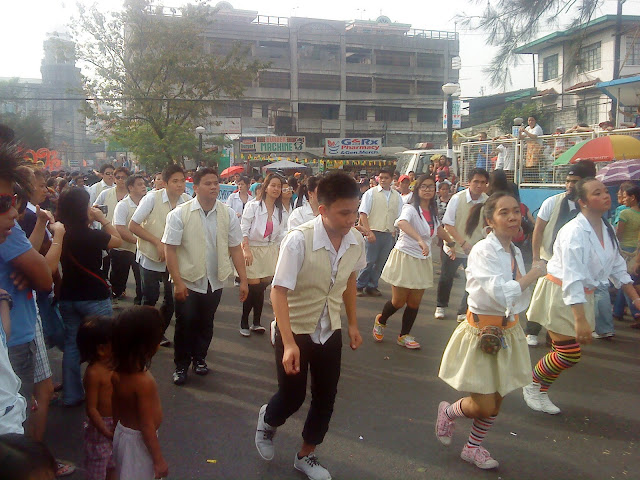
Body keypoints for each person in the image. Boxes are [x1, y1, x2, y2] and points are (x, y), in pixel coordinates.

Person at [254, 172, 365, 480]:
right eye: (344, 212)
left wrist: (352, 323)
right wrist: (288, 342)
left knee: (326, 396)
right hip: (296, 329)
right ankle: (268, 420)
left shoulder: (355, 241)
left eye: (355, 211)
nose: (351, 219)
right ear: (323, 210)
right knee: (291, 397)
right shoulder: (299, 240)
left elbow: (350, 281)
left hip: (330, 328)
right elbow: (278, 291)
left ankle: (306, 454)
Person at [436, 192, 547, 470]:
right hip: (481, 333)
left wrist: (528, 281)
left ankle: (473, 447)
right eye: (504, 212)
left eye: (515, 212)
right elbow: (499, 293)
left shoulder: (514, 251)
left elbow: (516, 297)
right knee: (484, 404)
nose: (513, 217)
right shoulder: (484, 251)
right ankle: (448, 412)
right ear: (490, 220)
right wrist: (534, 274)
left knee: (497, 400)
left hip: (508, 333)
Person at [524, 178, 640, 415]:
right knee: (569, 353)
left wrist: (635, 297)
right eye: (597, 193)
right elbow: (573, 276)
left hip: (581, 296)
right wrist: (580, 319)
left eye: (605, 191)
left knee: (564, 352)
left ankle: (539, 388)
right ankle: (533, 384)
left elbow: (617, 265)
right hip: (560, 293)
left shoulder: (606, 228)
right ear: (583, 202)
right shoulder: (573, 232)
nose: (606, 196)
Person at [163, 168, 249, 385]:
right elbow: (170, 250)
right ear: (196, 187)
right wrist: (178, 282)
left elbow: (235, 248)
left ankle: (200, 358)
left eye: (216, 183)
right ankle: (181, 365)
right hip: (189, 281)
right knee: (185, 323)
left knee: (206, 322)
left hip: (215, 279)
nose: (213, 187)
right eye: (208, 183)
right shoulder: (179, 214)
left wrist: (244, 280)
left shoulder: (226, 213)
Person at [57, 188, 121, 407]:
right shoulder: (92, 234)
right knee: (106, 343)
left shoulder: (60, 232)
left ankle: (72, 394)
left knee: (72, 345)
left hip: (68, 295)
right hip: (94, 296)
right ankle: (107, 391)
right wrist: (103, 219)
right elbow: (117, 241)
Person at [525, 161, 595, 346]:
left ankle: (555, 338)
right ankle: (531, 331)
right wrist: (535, 258)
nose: (570, 185)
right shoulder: (552, 202)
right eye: (568, 181)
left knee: (562, 303)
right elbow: (538, 231)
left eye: (575, 181)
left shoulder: (590, 209)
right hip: (549, 260)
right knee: (540, 300)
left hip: (574, 265)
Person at [374, 175, 444, 349]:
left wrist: (457, 243)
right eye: (424, 187)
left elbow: (440, 230)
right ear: (418, 190)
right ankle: (381, 320)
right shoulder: (410, 208)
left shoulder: (434, 211)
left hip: (423, 260)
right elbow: (402, 223)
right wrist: (419, 239)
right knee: (398, 301)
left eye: (431, 187)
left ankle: (404, 335)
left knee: (414, 302)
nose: (428, 190)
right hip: (405, 256)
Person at [129, 164, 191, 346]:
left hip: (173, 259)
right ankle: (141, 333)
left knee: (171, 301)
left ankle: (158, 333)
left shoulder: (186, 201)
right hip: (149, 256)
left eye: (182, 181)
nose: (180, 185)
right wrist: (157, 242)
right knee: (150, 297)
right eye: (175, 181)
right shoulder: (152, 199)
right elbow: (133, 225)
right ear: (165, 183)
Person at [111, 306, 167, 480]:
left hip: (122, 434)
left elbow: (115, 409)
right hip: (138, 443)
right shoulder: (143, 382)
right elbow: (146, 425)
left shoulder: (116, 371)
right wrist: (159, 460)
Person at [435, 168, 489, 321]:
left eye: (483, 182)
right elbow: (448, 224)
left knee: (472, 280)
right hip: (453, 246)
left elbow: (487, 225)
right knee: (446, 277)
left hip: (475, 250)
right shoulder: (457, 199)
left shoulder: (487, 201)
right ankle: (441, 305)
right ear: (468, 183)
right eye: (476, 182)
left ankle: (463, 310)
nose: (479, 185)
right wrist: (462, 243)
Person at [240, 174, 288, 337]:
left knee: (262, 288)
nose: (276, 189)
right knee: (253, 287)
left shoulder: (281, 211)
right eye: (273, 185)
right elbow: (244, 229)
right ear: (266, 187)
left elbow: (283, 233)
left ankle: (256, 322)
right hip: (252, 250)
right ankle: (244, 321)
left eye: (279, 186)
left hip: (270, 251)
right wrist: (245, 249)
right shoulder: (253, 206)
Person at [77, 316, 115, 480]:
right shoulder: (94, 373)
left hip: (115, 422)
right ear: (101, 349)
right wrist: (105, 431)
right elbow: (91, 408)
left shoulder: (114, 365)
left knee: (114, 464)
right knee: (97, 469)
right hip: (100, 429)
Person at [356, 168, 403, 297]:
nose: (383, 180)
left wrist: (395, 230)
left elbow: (399, 215)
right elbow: (363, 213)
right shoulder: (371, 193)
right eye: (380, 177)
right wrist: (368, 231)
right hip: (373, 231)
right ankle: (359, 285)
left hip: (388, 233)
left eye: (386, 178)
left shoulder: (396, 196)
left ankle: (372, 285)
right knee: (369, 261)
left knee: (381, 262)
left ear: (392, 179)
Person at [111, 174, 147, 305]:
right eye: (139, 184)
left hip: (141, 250)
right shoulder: (123, 205)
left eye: (144, 184)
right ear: (130, 187)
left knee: (141, 279)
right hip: (123, 248)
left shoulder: (147, 202)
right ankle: (115, 296)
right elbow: (120, 228)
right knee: (119, 278)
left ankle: (140, 304)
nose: (143, 186)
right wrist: (136, 241)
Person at [519, 116, 544, 181]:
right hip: (529, 150)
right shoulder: (528, 128)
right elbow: (521, 137)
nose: (530, 122)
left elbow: (534, 136)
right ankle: (529, 181)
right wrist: (519, 132)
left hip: (536, 149)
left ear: (535, 121)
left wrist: (525, 131)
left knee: (534, 166)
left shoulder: (537, 128)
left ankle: (535, 181)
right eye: (529, 120)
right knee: (528, 166)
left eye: (532, 120)